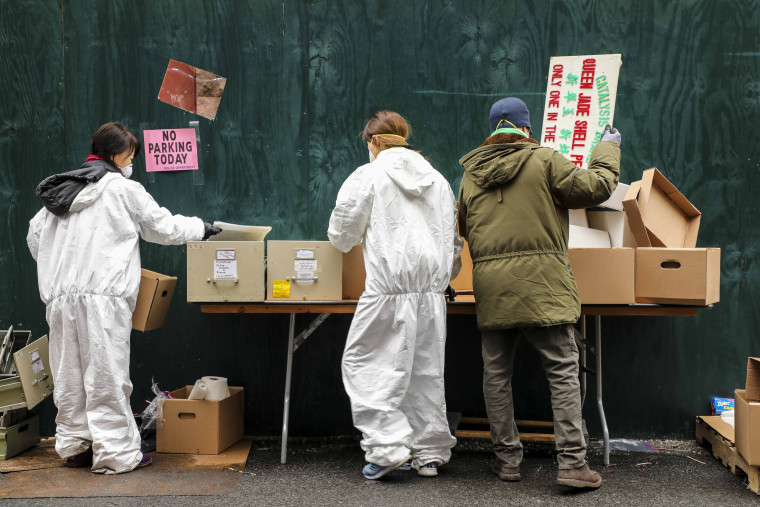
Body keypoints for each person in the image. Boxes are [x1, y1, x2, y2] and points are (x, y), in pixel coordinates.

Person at [26, 122, 221, 474]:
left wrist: (63, 267)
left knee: (69, 376)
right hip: (104, 296)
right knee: (107, 375)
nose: (131, 162)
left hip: (60, 298)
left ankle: (74, 446)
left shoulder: (61, 194)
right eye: (130, 155)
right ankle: (115, 453)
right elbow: (163, 226)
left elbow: (35, 239)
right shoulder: (122, 189)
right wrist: (201, 228)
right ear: (117, 155)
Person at [457, 98, 621, 488]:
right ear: (525, 129)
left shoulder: (468, 175)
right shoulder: (545, 160)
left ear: (493, 128)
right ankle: (572, 465)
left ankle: (508, 460)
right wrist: (607, 147)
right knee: (563, 370)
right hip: (544, 285)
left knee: (496, 375)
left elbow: (464, 228)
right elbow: (597, 187)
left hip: (492, 288)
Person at [328, 110, 463, 479]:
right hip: (432, 295)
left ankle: (387, 450)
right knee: (425, 374)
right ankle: (429, 453)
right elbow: (453, 244)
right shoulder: (437, 179)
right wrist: (440, 279)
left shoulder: (368, 175)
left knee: (367, 367)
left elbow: (341, 235)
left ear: (373, 141)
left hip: (388, 292)